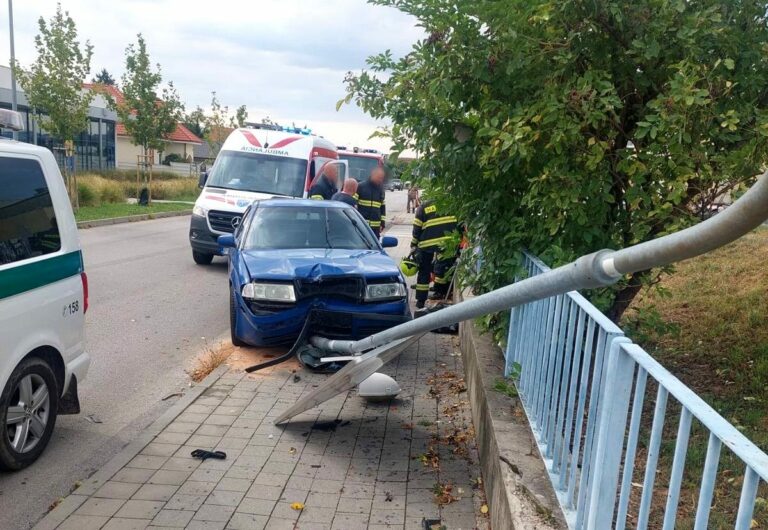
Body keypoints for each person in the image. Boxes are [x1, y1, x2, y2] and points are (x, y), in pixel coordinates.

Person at [410, 199, 458, 309]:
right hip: (447, 242)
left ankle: (421, 300)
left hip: (427, 243)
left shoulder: (424, 206)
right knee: (443, 268)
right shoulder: (451, 203)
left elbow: (417, 227)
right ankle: (440, 292)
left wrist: (413, 244)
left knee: (424, 271)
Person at [356, 167, 387, 236]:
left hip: (375, 228)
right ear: (373, 175)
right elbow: (353, 204)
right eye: (379, 177)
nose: (381, 180)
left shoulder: (381, 190)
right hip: (362, 224)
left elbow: (382, 207)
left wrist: (382, 223)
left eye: (382, 178)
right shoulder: (361, 186)